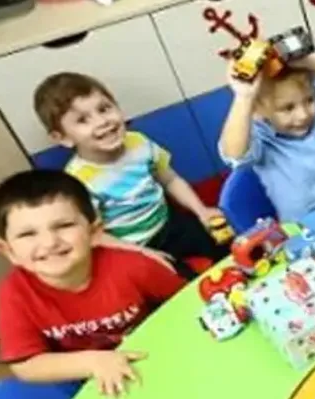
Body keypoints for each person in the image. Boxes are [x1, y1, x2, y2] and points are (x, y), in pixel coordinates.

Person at [0, 170, 186, 397]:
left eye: (64, 225)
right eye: (27, 234)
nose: (49, 242)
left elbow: (188, 304)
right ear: (9, 251)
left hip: (156, 360)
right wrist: (94, 362)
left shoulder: (135, 266)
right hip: (88, 383)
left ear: (94, 232)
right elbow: (25, 365)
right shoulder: (14, 293)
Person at [33, 73, 228, 278]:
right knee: (177, 279)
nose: (102, 121)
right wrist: (143, 254)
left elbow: (170, 179)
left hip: (169, 222)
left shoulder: (138, 142)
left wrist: (201, 210)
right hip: (133, 247)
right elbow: (95, 235)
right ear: (62, 138)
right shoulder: (78, 181)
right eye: (83, 120)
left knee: (223, 244)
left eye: (104, 109)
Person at [218, 51, 315, 221]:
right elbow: (235, 155)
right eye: (288, 108)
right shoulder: (262, 136)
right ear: (257, 111)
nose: (303, 115)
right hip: (308, 223)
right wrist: (244, 98)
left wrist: (308, 59)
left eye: (309, 100)